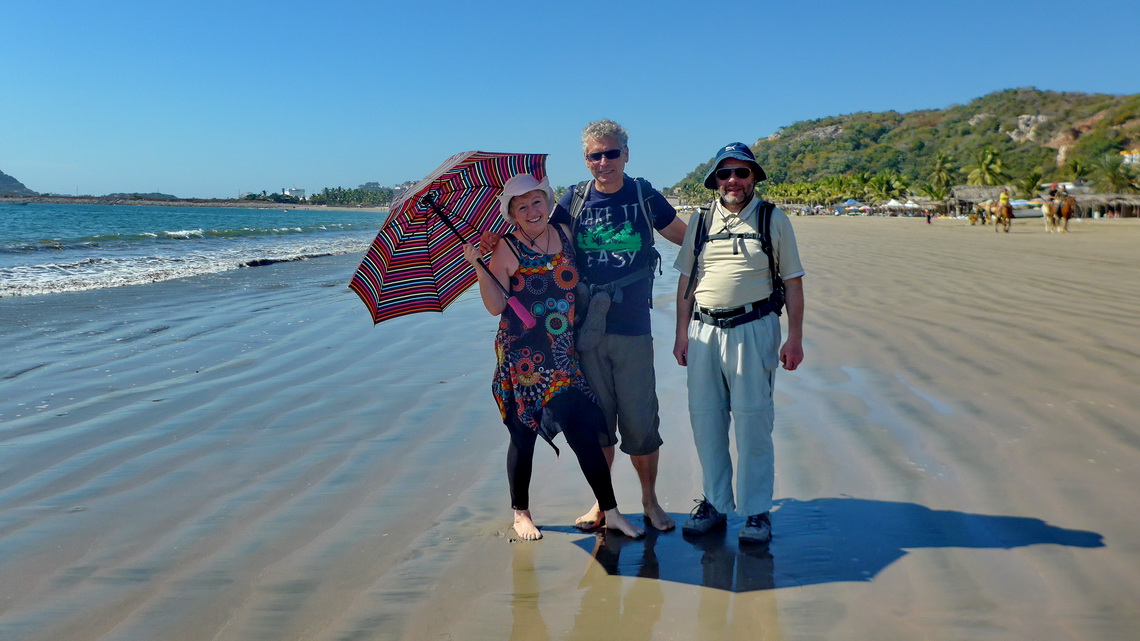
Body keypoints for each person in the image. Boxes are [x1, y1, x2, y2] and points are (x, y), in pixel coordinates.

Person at [462, 173, 644, 541]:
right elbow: (495, 305)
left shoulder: (562, 234)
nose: (532, 211)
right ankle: (520, 513)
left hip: (562, 353)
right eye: (521, 206)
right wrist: (479, 265)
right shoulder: (506, 248)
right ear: (511, 213)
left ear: (548, 201)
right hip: (524, 356)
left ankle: (610, 511)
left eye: (537, 202)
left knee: (582, 432)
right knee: (523, 433)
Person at [549, 120, 688, 532]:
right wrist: (493, 247)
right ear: (586, 159)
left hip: (633, 328)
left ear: (626, 154)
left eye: (612, 153)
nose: (604, 162)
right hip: (585, 331)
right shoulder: (573, 200)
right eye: (596, 155)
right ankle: (602, 503)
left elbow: (688, 239)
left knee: (641, 422)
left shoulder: (644, 195)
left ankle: (649, 501)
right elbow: (543, 244)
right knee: (597, 423)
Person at [672, 142, 805, 544]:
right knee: (706, 420)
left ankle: (756, 511)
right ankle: (715, 503)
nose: (733, 180)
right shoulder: (700, 221)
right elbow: (686, 280)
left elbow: (794, 282)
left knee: (753, 422)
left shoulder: (772, 219)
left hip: (755, 329)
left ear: (753, 178)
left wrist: (795, 338)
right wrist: (681, 333)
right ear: (715, 180)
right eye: (725, 173)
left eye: (742, 173)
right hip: (703, 332)